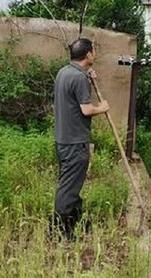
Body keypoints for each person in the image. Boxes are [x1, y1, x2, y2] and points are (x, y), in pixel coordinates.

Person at [51, 38, 110, 239]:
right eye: (93, 50)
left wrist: (88, 77)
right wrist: (102, 107)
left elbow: (73, 97)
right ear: (88, 54)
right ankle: (61, 231)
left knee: (71, 184)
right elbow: (86, 109)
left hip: (63, 140)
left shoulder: (64, 72)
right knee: (68, 188)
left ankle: (76, 220)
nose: (95, 53)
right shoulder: (79, 78)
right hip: (75, 143)